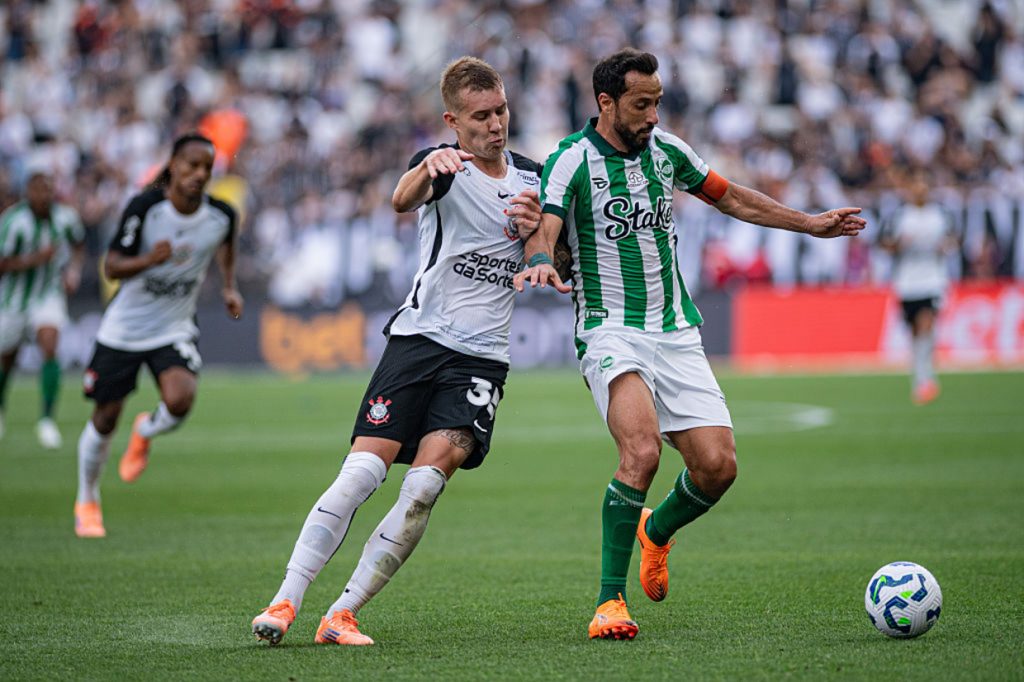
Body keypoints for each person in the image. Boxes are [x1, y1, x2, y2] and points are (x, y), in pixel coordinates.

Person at [514, 48, 867, 640]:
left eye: (657, 102)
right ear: (606, 103)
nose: (653, 115)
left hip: (675, 328)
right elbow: (544, 225)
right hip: (610, 327)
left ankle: (658, 531)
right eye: (640, 104)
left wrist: (809, 222)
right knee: (643, 452)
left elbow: (730, 196)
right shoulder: (571, 160)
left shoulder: (668, 151)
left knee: (718, 468)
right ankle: (609, 602)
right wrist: (542, 261)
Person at [251, 56, 543, 647]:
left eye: (501, 111)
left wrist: (542, 240)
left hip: (481, 359)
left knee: (425, 487)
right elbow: (401, 199)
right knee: (362, 472)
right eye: (480, 116)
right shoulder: (441, 166)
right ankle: (286, 598)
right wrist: (428, 166)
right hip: (418, 340)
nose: (495, 124)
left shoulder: (535, 179)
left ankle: (343, 614)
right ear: (453, 121)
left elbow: (553, 257)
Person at [73, 133, 243, 538]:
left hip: (173, 326)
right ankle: (87, 499)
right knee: (105, 416)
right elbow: (111, 266)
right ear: (172, 166)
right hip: (125, 328)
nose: (199, 174)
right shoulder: (145, 208)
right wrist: (150, 259)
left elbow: (227, 249)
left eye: (206, 168)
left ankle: (145, 431)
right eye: (191, 165)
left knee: (181, 400)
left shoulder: (221, 215)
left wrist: (228, 286)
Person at [0, 169, 85, 449]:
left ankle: (46, 420)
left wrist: (73, 271)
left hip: (48, 294)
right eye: (38, 190)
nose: (44, 196)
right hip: (13, 299)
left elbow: (78, 243)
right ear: (28, 193)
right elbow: (2, 264)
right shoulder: (13, 221)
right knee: (7, 359)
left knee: (50, 345)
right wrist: (36, 259)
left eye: (48, 190)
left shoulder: (65, 218)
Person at [881, 173, 957, 404]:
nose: (920, 190)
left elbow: (954, 240)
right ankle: (919, 374)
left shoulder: (940, 215)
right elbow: (886, 244)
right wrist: (898, 244)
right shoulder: (900, 216)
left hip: (933, 278)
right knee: (914, 330)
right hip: (907, 281)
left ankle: (926, 377)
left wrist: (946, 246)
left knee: (927, 323)